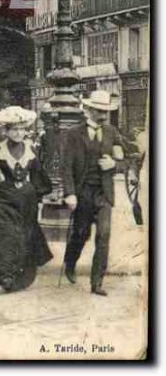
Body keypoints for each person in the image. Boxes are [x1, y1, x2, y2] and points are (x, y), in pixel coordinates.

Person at [0, 106, 53, 293]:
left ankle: (21, 275)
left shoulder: (31, 150)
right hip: (5, 197)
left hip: (27, 199)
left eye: (22, 129)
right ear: (6, 131)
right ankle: (5, 276)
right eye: (14, 129)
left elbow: (38, 174)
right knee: (5, 236)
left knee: (24, 236)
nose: (18, 133)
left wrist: (40, 193)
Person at [62, 90, 125, 296]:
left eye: (105, 111)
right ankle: (70, 262)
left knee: (104, 235)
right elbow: (66, 167)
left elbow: (128, 160)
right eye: (99, 110)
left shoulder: (112, 132)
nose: (103, 115)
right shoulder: (73, 134)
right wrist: (70, 193)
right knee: (81, 233)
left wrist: (114, 165)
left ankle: (97, 282)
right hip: (83, 193)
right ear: (88, 110)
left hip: (104, 194)